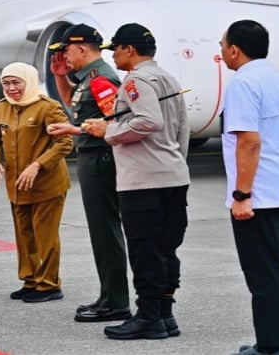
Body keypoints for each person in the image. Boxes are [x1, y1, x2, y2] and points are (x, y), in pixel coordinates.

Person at [83, 23, 190, 340]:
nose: (113, 55)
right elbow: (181, 129)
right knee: (166, 250)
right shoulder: (167, 78)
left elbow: (148, 121)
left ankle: (148, 317)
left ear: (129, 49)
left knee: (145, 251)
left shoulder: (136, 80)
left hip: (143, 180)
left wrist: (109, 132)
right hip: (172, 175)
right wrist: (174, 162)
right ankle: (165, 314)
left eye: (115, 48)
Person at [219, 20, 279, 355]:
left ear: (235, 50)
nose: (222, 51)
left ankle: (271, 348)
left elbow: (249, 142)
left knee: (263, 275)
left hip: (261, 194)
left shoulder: (244, 83)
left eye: (222, 45)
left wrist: (241, 196)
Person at [46, 24, 132, 323]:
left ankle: (117, 301)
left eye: (66, 51)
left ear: (82, 49)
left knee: (105, 231)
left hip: (100, 159)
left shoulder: (101, 79)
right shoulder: (89, 78)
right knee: (101, 232)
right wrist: (60, 77)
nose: (64, 57)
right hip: (93, 158)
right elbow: (77, 108)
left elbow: (115, 124)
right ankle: (109, 296)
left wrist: (76, 129)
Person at [0, 62, 73, 303]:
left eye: (16, 83)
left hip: (47, 183)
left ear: (29, 82)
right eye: (6, 83)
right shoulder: (2, 108)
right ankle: (31, 279)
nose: (11, 88)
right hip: (17, 184)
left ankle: (49, 285)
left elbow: (65, 142)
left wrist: (38, 165)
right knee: (24, 235)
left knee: (45, 235)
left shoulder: (47, 107)